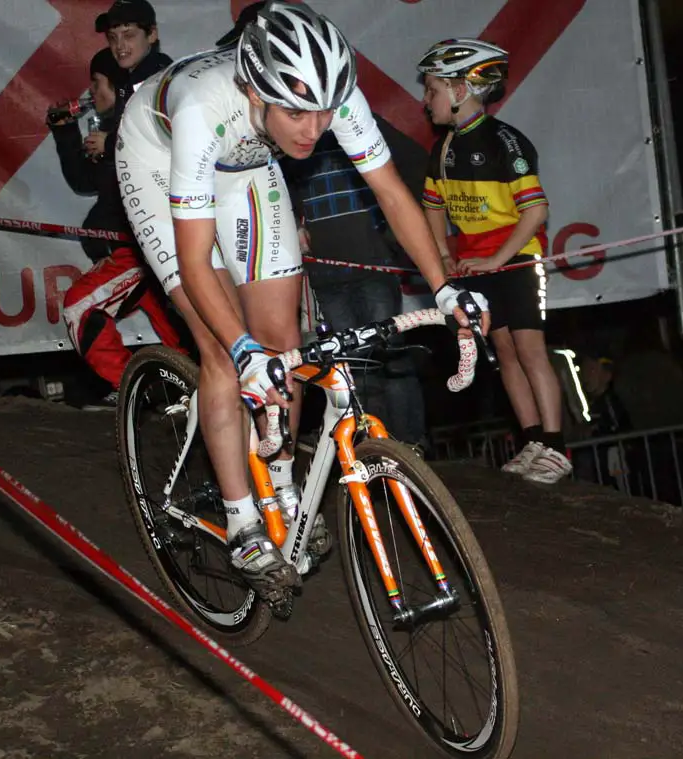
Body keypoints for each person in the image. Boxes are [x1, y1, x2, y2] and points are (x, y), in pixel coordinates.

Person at [116, 2, 487, 605]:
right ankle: (241, 521)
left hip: (248, 164)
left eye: (323, 112)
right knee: (221, 346)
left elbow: (392, 194)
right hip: (160, 159)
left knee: (283, 345)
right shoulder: (202, 110)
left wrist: (445, 287)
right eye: (296, 111)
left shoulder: (327, 101)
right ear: (255, 90)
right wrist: (241, 351)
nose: (313, 131)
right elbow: (193, 262)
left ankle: (283, 494)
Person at [417, 38, 571, 484]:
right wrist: (444, 252)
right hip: (474, 264)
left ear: (460, 90)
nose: (426, 102)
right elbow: (430, 206)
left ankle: (557, 447)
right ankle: (531, 442)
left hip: (517, 258)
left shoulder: (507, 140)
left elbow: (536, 210)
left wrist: (497, 260)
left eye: (432, 90)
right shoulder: (442, 149)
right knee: (503, 353)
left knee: (528, 348)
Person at [282, 118, 429, 449]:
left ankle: (411, 444)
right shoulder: (295, 129)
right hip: (325, 272)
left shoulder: (363, 122)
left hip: (374, 265)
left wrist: (393, 235)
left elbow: (418, 162)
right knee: (353, 365)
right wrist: (293, 220)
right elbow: (276, 181)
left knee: (391, 355)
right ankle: (373, 447)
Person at [49, 48, 183, 408]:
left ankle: (138, 388)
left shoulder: (141, 127)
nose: (91, 92)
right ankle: (190, 392)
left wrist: (114, 143)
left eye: (97, 83)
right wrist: (64, 131)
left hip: (141, 250)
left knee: (79, 307)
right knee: (183, 334)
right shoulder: (111, 131)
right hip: (136, 253)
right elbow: (83, 180)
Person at [94, 0, 172, 161]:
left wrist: (108, 143)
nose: (119, 45)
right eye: (112, 38)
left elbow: (160, 140)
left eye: (128, 35)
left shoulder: (158, 80)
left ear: (151, 34)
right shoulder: (129, 79)